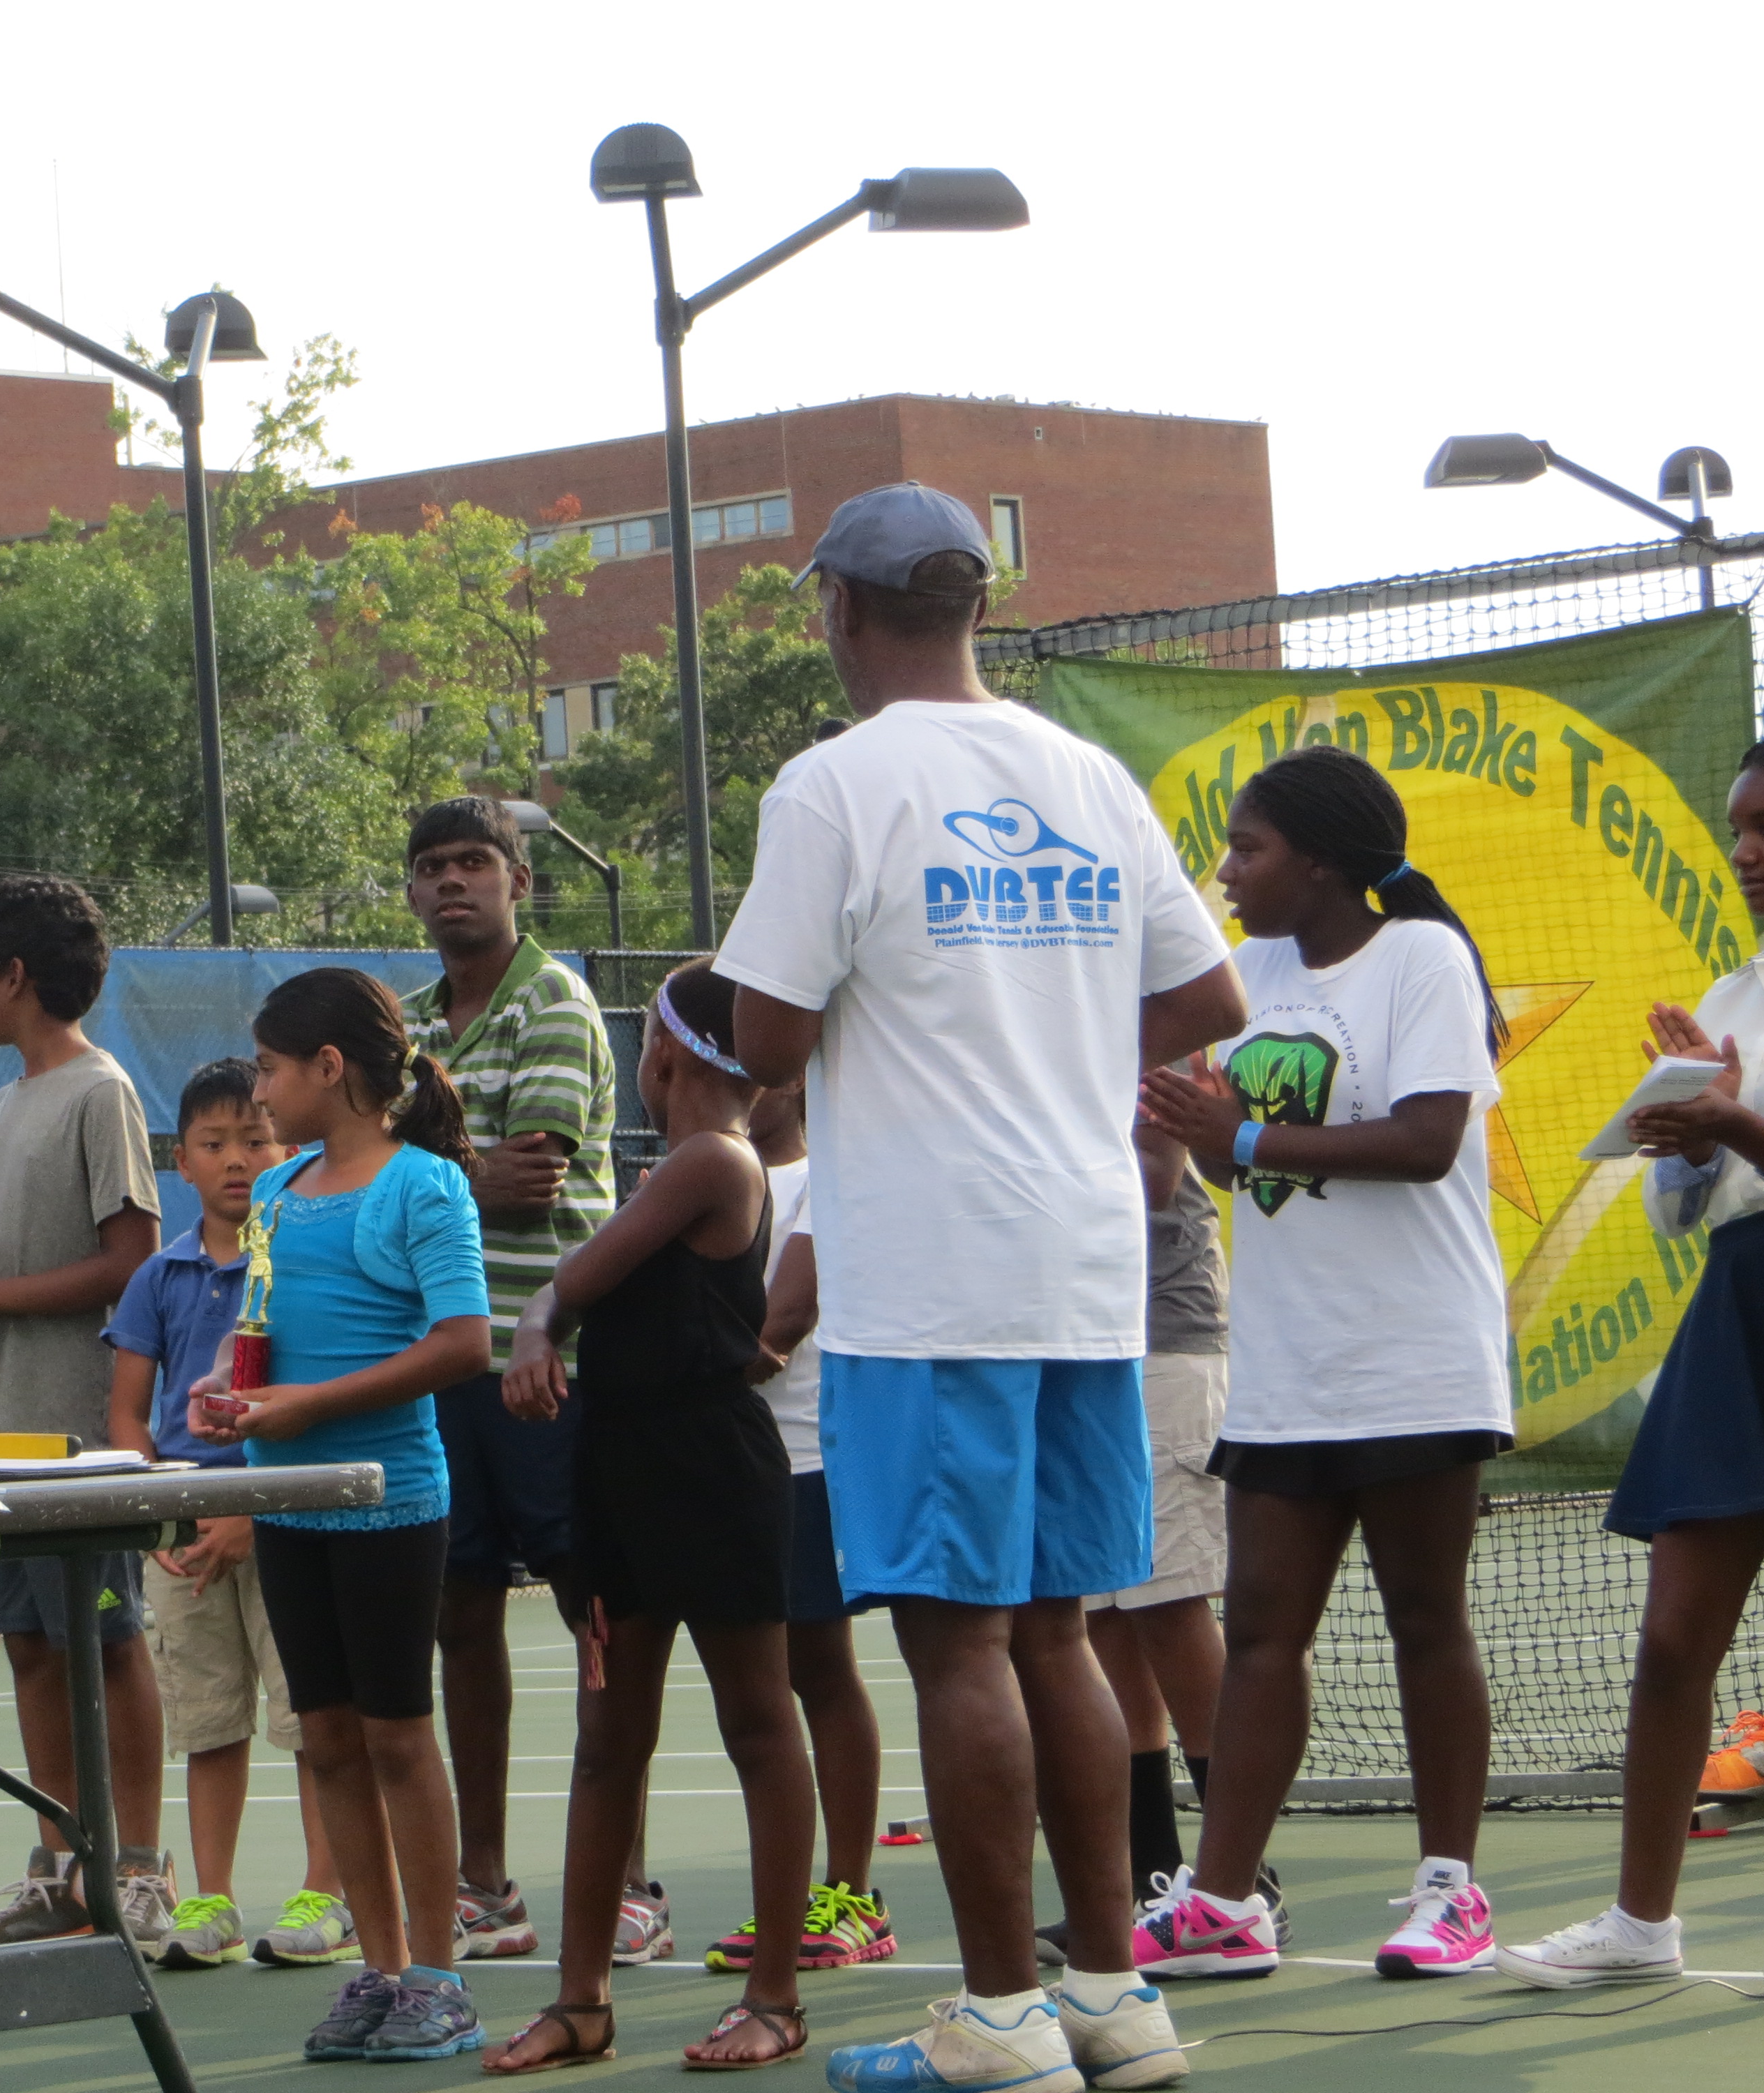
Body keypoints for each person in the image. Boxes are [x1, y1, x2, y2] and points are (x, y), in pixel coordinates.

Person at [719, 481, 1239, 2092]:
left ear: (838, 608)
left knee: (958, 1648)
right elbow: (1206, 993)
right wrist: (1054, 1044)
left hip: (928, 1267)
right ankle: (1109, 1997)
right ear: (974, 606)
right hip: (1082, 1259)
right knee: (1060, 1632)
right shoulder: (1085, 774)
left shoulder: (833, 781)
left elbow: (761, 1038)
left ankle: (1002, 2015)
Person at [1138, 744, 1512, 1983]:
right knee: (1259, 1632)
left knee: (1424, 1618)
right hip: (1287, 1365)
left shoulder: (1423, 958)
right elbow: (1229, 1160)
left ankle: (1452, 1892)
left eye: (1248, 849)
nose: (1227, 872)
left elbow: (1426, 1138)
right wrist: (1194, 1133)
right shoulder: (1245, 976)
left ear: (1321, 862)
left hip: (1415, 1352)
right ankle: (1224, 1904)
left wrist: (1240, 1134)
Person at [1497, 701, 1764, 1988]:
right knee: (1673, 1639)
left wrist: (1739, 1124)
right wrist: (1688, 1136)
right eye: (1741, 831)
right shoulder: (1733, 995)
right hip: (1740, 1309)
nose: (1749, 853)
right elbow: (1686, 1210)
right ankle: (1640, 1928)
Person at [488, 961, 816, 2073]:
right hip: (624, 1474)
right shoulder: (679, 1169)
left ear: (662, 1053)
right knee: (607, 1744)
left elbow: (571, 1283)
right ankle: (581, 2001)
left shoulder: (713, 1160)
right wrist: (539, 1327)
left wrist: (537, 1327)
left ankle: (775, 1998)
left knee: (758, 1726)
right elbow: (563, 1296)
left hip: (711, 1470)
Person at [186, 968, 491, 2062]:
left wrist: (311, 1405)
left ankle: (439, 1980)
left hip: (388, 1502)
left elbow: (464, 1344)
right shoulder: (277, 1192)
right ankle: (383, 1969)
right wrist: (226, 1386)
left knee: (397, 1736)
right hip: (288, 1504)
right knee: (326, 1738)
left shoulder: (423, 1187)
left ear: (328, 1068)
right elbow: (263, 1329)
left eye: (272, 1070)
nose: (261, 1092)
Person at [0, 876, 172, 1956]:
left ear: (15, 976)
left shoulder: (102, 1093)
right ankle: (62, 1871)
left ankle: (138, 1870)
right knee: (28, 1647)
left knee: (107, 1644)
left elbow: (132, 1264)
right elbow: (3, 1276)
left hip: (78, 1439)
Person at [397, 796, 620, 1960]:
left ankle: (627, 1884)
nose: (453, 882)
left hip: (551, 1357)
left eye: (474, 862)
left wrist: (421, 1174)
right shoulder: (407, 1025)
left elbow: (529, 1181)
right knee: (459, 1610)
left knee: (597, 1609)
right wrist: (449, 1175)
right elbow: (403, 1179)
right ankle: (485, 1884)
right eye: (433, 866)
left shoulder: (556, 1001)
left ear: (519, 883)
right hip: (445, 1360)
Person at [107, 1058, 350, 1972]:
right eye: (214, 1144)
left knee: (311, 1721)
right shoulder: (156, 1277)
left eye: (256, 1138)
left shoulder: (299, 1264)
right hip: (184, 1535)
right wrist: (160, 1514)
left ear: (290, 1148)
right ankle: (210, 1899)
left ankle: (327, 1893)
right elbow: (128, 1414)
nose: (237, 1159)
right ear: (181, 1161)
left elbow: (318, 1392)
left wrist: (253, 1512)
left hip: (287, 1515)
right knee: (209, 1727)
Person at [1036, 1125, 1278, 1966]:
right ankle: (1150, 1879)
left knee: (1169, 1608)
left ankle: (1242, 1885)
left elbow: (1150, 1173)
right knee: (1103, 1613)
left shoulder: (1150, 1048)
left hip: (1163, 1346)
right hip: (1081, 1343)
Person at [708, 1074, 897, 1979]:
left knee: (820, 1668)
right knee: (758, 1686)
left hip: (807, 1457)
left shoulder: (829, 1179)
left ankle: (851, 1894)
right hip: (726, 1462)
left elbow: (781, 1320)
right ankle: (788, 1900)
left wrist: (673, 1377)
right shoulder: (702, 1173)